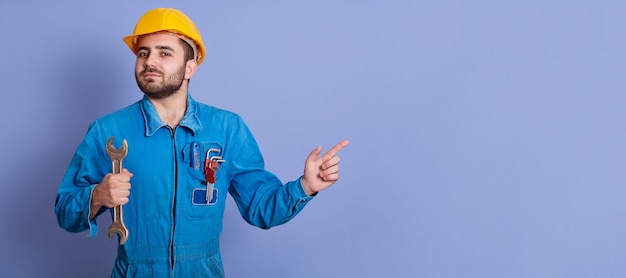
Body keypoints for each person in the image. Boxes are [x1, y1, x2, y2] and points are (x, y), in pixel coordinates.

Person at [55, 7, 349, 277]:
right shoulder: (107, 130)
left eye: (164, 53)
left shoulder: (227, 129)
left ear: (190, 67)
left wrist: (305, 187)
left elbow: (261, 208)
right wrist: (96, 197)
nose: (150, 62)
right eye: (143, 53)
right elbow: (65, 212)